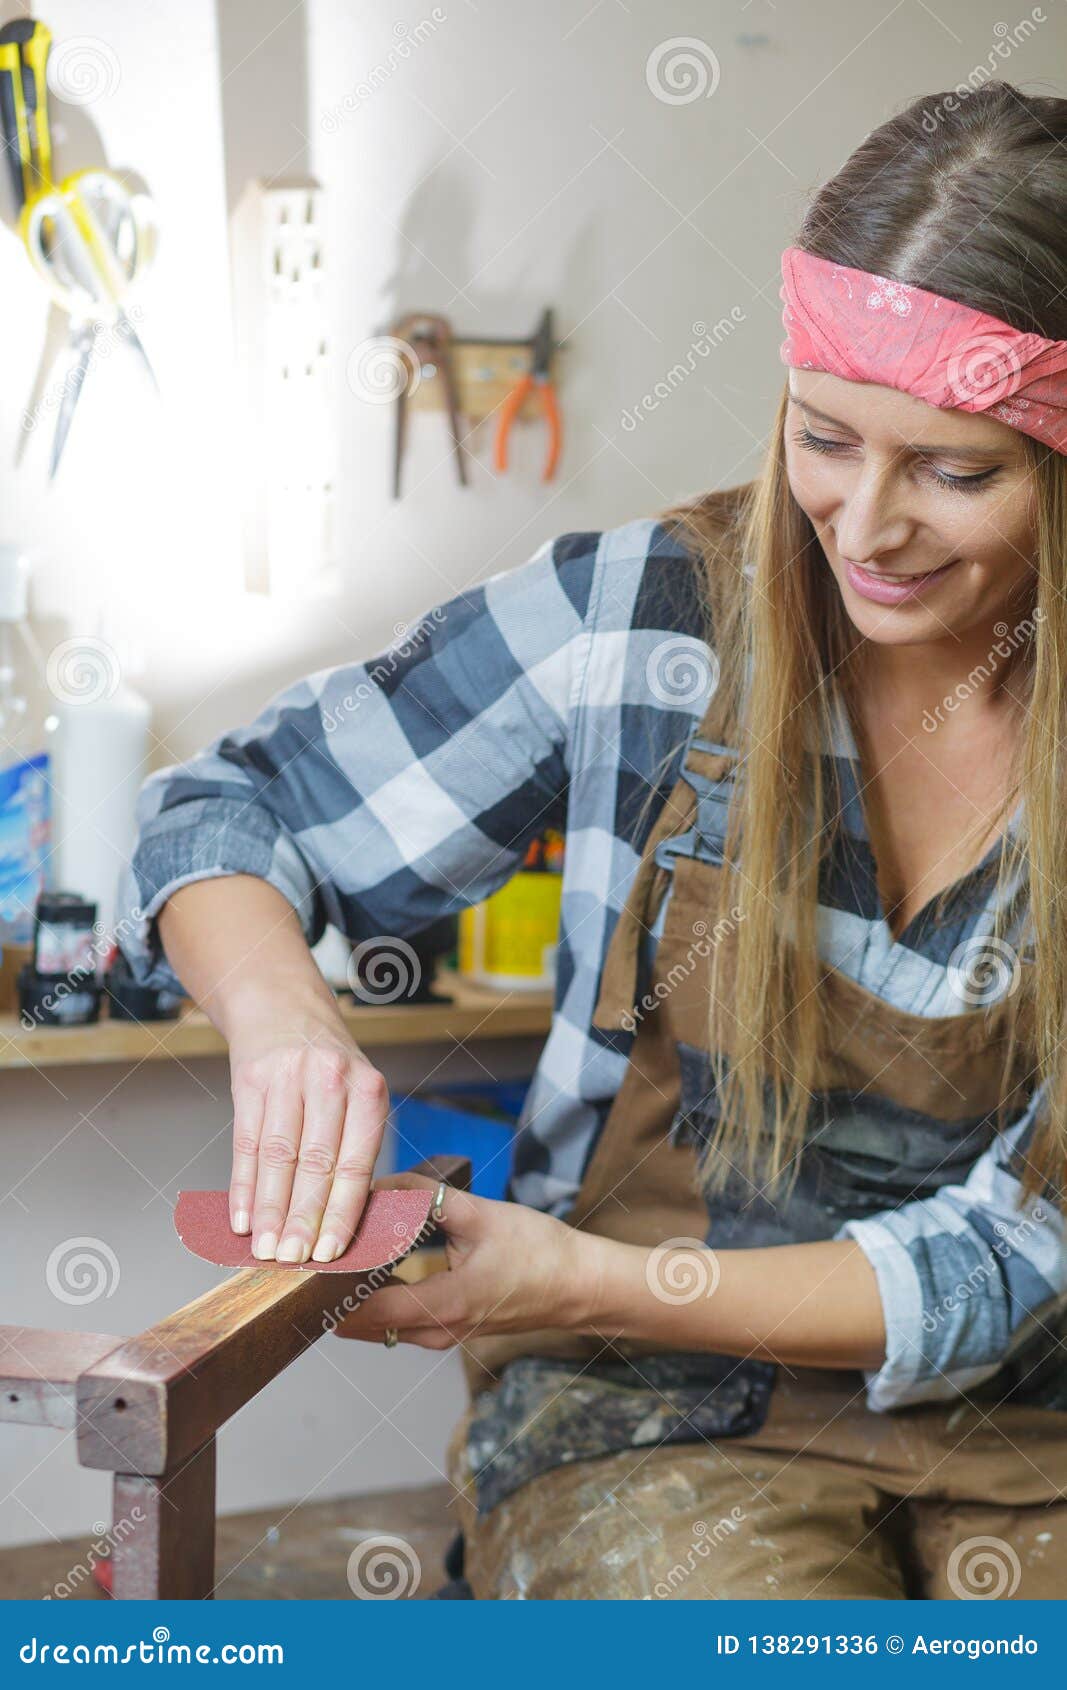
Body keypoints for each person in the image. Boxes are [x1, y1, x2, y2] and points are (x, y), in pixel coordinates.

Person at [118, 80, 1067, 1599]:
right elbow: (222, 810)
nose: (865, 525)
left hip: (1026, 1420)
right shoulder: (651, 620)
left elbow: (1025, 1254)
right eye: (823, 437)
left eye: (957, 471)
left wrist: (570, 1267)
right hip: (643, 1420)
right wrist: (282, 1015)